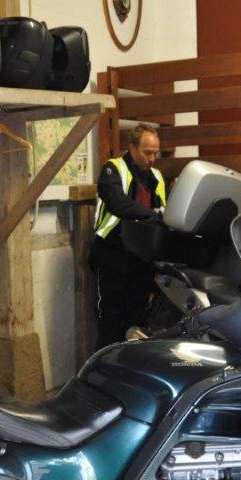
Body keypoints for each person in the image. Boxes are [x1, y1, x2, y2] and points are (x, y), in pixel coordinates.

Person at [90, 123, 167, 348]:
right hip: (113, 254)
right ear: (132, 147)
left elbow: (165, 211)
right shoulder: (112, 170)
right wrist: (153, 215)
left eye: (156, 153)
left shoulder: (157, 177)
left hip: (142, 259)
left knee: (137, 321)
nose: (152, 159)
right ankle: (103, 366)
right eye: (147, 152)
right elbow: (119, 204)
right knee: (111, 319)